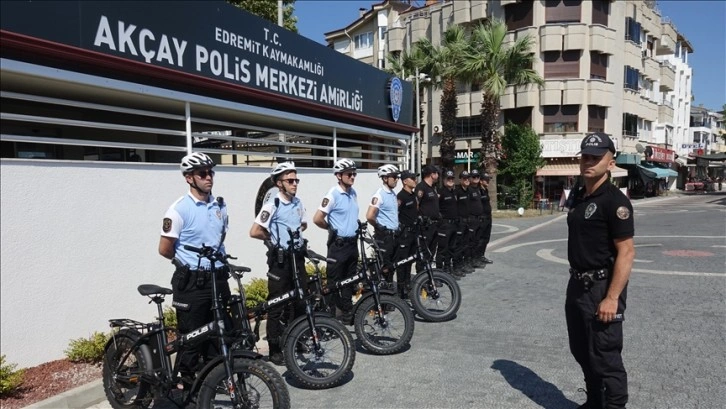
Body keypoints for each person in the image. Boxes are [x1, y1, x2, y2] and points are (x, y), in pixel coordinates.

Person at [565, 132, 635, 409]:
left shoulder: (615, 202)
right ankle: (594, 402)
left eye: (597, 157)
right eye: (586, 156)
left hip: (601, 288)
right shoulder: (579, 196)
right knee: (582, 351)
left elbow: (627, 252)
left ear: (610, 162)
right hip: (577, 285)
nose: (589, 162)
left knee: (605, 355)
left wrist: (611, 297)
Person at [158, 152, 230, 385]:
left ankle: (212, 382)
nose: (209, 177)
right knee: (192, 337)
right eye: (202, 173)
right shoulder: (178, 210)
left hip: (217, 278)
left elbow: (220, 236)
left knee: (218, 333)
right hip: (192, 281)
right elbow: (165, 248)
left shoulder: (220, 205)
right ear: (189, 178)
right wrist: (187, 263)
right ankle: (186, 386)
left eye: (211, 172)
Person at [249, 162, 308, 366]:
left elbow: (303, 224)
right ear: (279, 183)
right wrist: (274, 240)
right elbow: (255, 231)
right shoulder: (272, 204)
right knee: (277, 304)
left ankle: (297, 339)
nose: (294, 184)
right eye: (290, 180)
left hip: (297, 258)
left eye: (296, 180)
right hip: (280, 262)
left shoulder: (298, 202)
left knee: (300, 300)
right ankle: (274, 348)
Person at [313, 158, 360, 323]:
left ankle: (347, 313)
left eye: (354, 173)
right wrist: (331, 228)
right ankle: (330, 318)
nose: (353, 176)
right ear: (339, 175)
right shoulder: (332, 194)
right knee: (334, 282)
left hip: (352, 243)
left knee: (349, 279)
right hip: (338, 245)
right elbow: (317, 218)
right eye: (349, 174)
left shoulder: (352, 193)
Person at [366, 164, 400, 287]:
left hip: (394, 235)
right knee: (384, 268)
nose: (396, 179)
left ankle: (389, 295)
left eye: (397, 177)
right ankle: (382, 298)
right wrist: (379, 227)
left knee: (391, 267)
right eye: (394, 177)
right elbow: (370, 215)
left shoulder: (392, 193)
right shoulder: (379, 194)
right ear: (385, 178)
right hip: (384, 237)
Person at [393, 170, 419, 299]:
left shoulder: (413, 195)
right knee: (402, 262)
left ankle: (408, 286)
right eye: (412, 178)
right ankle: (400, 289)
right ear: (405, 181)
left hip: (414, 233)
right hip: (404, 235)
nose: (415, 180)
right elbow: (395, 215)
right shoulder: (400, 197)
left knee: (410, 261)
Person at [438, 170, 463, 278]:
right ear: (444, 180)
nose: (451, 180)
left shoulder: (454, 192)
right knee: (443, 249)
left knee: (451, 248)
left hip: (454, 224)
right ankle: (439, 271)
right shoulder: (441, 192)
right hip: (445, 225)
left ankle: (448, 268)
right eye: (448, 179)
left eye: (452, 178)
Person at [415, 164, 441, 263]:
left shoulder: (432, 187)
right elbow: (416, 205)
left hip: (434, 225)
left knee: (431, 251)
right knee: (424, 252)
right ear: (432, 174)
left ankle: (428, 274)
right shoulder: (421, 187)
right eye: (436, 173)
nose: (438, 175)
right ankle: (421, 275)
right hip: (426, 227)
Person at [473, 169, 494, 264]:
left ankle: (482, 255)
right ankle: (476, 257)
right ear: (481, 181)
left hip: (488, 218)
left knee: (486, 238)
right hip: (482, 219)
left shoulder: (485, 190)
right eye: (486, 179)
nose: (488, 181)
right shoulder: (478, 191)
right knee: (480, 239)